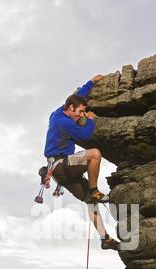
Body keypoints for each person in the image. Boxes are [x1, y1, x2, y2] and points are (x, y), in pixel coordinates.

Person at [43, 74, 119, 251]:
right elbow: (86, 136)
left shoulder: (57, 113)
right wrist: (91, 120)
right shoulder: (65, 123)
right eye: (79, 112)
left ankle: (105, 238)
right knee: (94, 154)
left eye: (83, 113)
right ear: (70, 108)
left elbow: (78, 95)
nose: (81, 116)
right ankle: (94, 190)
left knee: (89, 203)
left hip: (58, 172)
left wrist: (91, 83)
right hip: (62, 164)